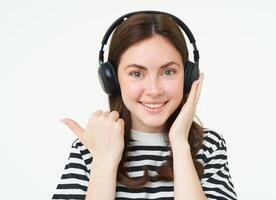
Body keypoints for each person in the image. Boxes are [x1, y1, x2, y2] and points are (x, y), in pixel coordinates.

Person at [52, 10, 237, 200]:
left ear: (188, 76)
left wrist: (180, 142)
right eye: (136, 74)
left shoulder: (208, 147)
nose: (154, 90)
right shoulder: (91, 146)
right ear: (113, 79)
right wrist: (103, 162)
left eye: (168, 72)